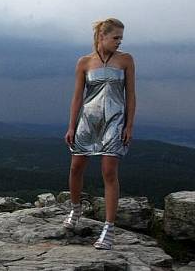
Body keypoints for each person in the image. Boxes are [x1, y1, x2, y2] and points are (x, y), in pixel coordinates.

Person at [63, 17, 136, 250]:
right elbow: (77, 97)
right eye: (116, 37)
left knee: (109, 172)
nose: (119, 42)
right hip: (88, 120)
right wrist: (72, 126)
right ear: (101, 36)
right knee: (76, 167)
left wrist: (129, 125)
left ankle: (109, 229)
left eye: (121, 38)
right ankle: (75, 209)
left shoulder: (126, 60)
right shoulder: (84, 62)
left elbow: (131, 95)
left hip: (114, 121)